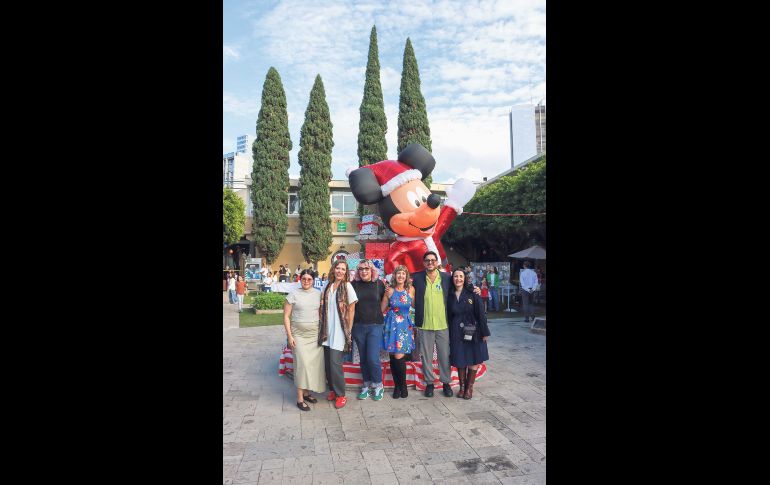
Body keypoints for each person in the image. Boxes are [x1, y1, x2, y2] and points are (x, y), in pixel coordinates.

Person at [410, 251, 455, 398]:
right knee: (426, 356)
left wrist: (476, 290)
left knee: (444, 356)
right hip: (424, 324)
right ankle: (429, 383)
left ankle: (446, 383)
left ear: (437, 262)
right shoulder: (416, 278)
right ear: (423, 263)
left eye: (432, 260)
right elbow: (402, 284)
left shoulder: (446, 278)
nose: (430, 263)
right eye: (427, 260)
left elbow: (459, 288)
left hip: (443, 324)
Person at [283, 270, 325, 411]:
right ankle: (300, 398)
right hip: (298, 335)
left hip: (314, 336)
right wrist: (289, 336)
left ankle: (307, 393)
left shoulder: (318, 294)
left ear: (313, 280)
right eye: (304, 279)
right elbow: (286, 317)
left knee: (312, 366)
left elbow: (320, 314)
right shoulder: (293, 294)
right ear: (300, 279)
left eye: (309, 279)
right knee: (302, 365)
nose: (306, 281)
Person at [319, 260, 358, 409]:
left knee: (335, 364)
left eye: (343, 269)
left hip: (339, 331)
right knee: (328, 364)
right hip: (326, 330)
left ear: (346, 271)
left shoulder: (347, 286)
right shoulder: (327, 285)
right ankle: (333, 391)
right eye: (338, 268)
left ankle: (341, 394)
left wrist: (348, 328)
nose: (340, 271)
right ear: (333, 269)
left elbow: (352, 309)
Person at [447, 269, 490, 399]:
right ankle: (461, 387)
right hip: (456, 331)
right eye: (455, 276)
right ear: (452, 278)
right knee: (460, 358)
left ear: (465, 278)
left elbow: (481, 313)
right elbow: (448, 315)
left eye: (461, 276)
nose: (458, 279)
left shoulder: (472, 292)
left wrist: (484, 331)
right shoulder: (449, 295)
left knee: (473, 357)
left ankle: (469, 388)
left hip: (473, 330)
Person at [350, 259, 387, 401]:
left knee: (372, 358)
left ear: (372, 270)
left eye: (367, 268)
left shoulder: (378, 284)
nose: (364, 271)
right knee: (363, 358)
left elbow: (386, 299)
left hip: (375, 326)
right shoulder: (353, 285)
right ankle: (366, 384)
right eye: (361, 269)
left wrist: (379, 313)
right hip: (358, 326)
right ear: (358, 271)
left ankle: (378, 385)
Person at [382, 265, 415, 399]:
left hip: (404, 326)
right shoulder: (389, 290)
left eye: (403, 274)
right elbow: (382, 308)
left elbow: (415, 306)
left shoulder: (411, 290)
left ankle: (403, 386)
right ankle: (397, 386)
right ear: (394, 276)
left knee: (399, 357)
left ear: (406, 276)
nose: (401, 276)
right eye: (398, 273)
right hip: (391, 325)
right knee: (392, 357)